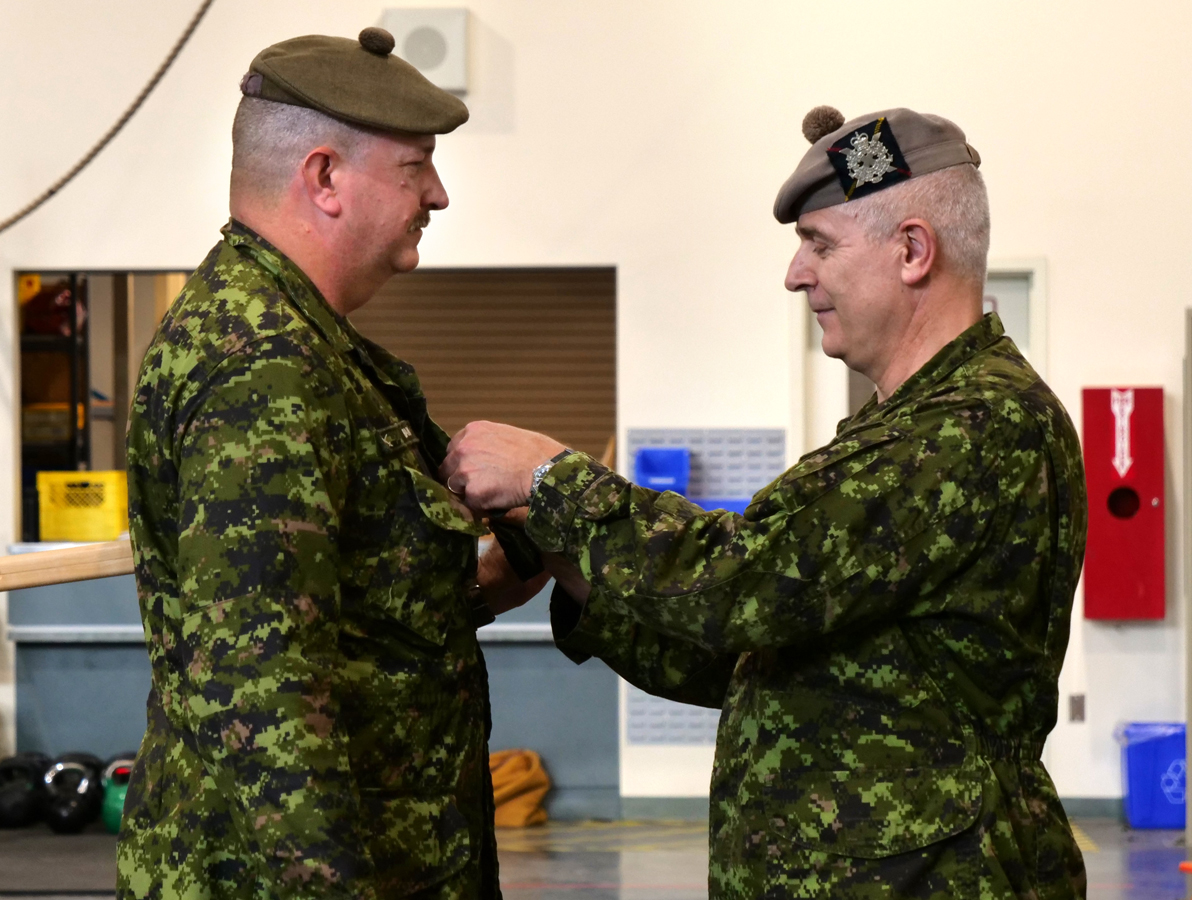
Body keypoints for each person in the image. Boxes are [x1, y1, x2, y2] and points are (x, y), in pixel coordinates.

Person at [441, 107, 1088, 898]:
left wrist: (553, 479)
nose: (795, 273)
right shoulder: (905, 426)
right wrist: (568, 561)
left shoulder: (976, 424)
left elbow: (745, 583)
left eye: (820, 243)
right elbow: (750, 659)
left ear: (913, 250)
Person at [117, 28, 546, 900]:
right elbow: (259, 680)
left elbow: (346, 616)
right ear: (324, 177)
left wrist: (501, 567)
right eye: (414, 166)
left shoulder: (312, 347)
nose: (439, 194)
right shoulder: (260, 361)